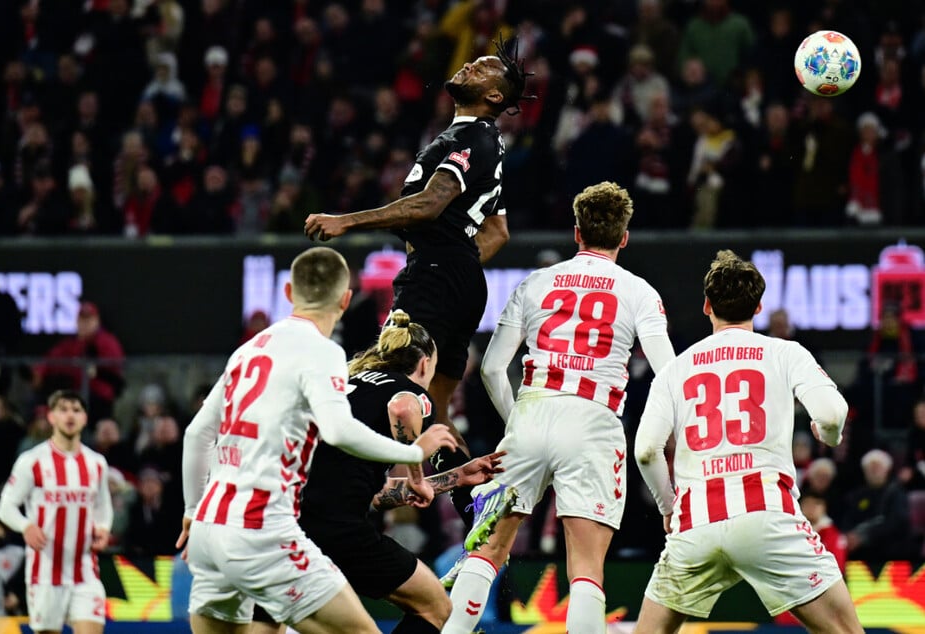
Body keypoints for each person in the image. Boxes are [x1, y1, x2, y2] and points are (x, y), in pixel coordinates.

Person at [178, 247, 458, 634]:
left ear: (289, 291)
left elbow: (196, 435)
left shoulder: (249, 349)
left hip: (210, 527)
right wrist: (414, 451)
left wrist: (192, 510)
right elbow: (339, 430)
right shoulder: (323, 351)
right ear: (345, 300)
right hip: (262, 527)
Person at [442, 181, 677, 634]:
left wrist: (520, 422)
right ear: (623, 237)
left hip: (532, 408)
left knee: (488, 550)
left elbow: (492, 369)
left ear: (576, 232)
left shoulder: (536, 282)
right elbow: (667, 374)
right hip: (593, 418)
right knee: (586, 566)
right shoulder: (639, 292)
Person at [304, 36, 531, 482]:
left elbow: (429, 204)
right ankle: (470, 499)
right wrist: (459, 266)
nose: (468, 65)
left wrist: (345, 222)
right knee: (435, 414)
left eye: (482, 68)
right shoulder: (483, 142)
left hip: (436, 275)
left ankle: (341, 489)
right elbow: (498, 231)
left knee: (381, 378)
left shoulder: (472, 136)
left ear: (494, 97)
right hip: (455, 278)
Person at [632, 250, 862, 634]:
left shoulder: (676, 368)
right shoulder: (784, 352)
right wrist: (830, 435)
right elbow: (832, 414)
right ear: (758, 306)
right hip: (768, 516)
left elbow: (646, 450)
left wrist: (669, 507)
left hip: (696, 525)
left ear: (707, 305)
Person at [250, 310, 505, 634]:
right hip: (340, 530)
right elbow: (402, 407)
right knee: (435, 606)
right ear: (425, 364)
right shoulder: (411, 392)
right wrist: (416, 459)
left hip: (282, 525)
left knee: (267, 626)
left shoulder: (345, 385)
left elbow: (370, 493)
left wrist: (456, 477)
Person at [0, 390, 113, 634]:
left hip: (85, 570)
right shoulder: (32, 461)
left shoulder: (96, 463)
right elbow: (6, 506)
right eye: (63, 409)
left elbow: (103, 506)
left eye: (76, 410)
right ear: (51, 417)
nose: (70, 415)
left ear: (85, 418)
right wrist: (26, 526)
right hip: (45, 570)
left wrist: (103, 528)